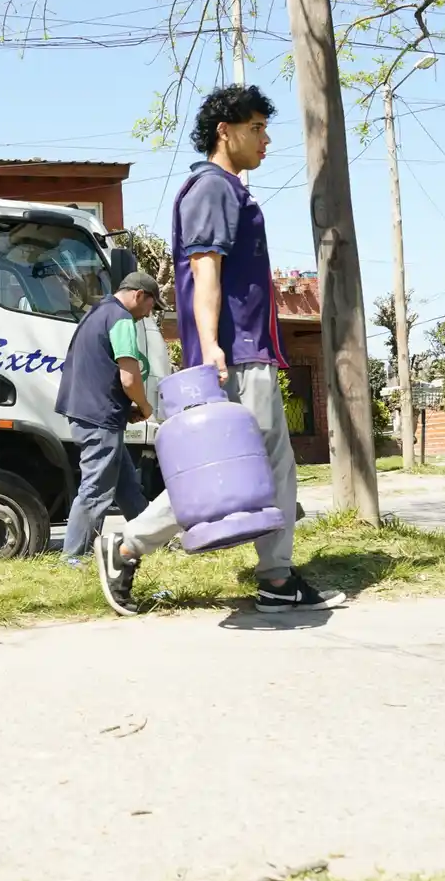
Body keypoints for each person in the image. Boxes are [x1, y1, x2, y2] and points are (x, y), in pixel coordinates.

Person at [93, 84, 346, 616]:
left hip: (248, 352)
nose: (266, 139)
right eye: (256, 128)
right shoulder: (213, 189)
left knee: (270, 469)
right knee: (225, 476)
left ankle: (275, 578)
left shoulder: (228, 190)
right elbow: (205, 269)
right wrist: (209, 346)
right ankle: (129, 547)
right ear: (224, 132)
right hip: (234, 354)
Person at [55, 270, 161, 564]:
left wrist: (125, 409)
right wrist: (145, 405)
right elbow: (129, 378)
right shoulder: (121, 319)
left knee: (127, 486)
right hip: (99, 416)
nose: (149, 313)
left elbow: (97, 370)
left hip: (88, 410)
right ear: (139, 295)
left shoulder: (97, 313)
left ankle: (152, 541)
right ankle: (73, 560)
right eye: (152, 305)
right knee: (96, 490)